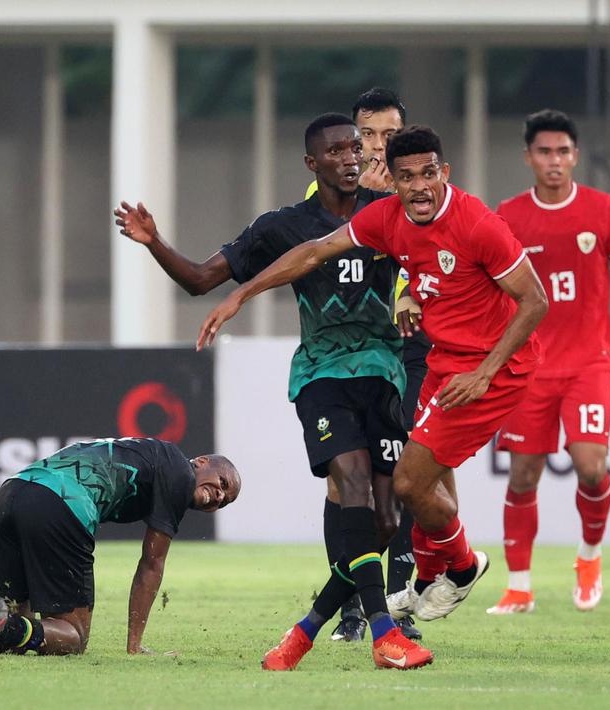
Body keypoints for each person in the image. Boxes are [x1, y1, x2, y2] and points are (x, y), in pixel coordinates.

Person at [196, 125, 548, 668]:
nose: (418, 186)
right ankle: (437, 574)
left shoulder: (477, 223)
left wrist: (484, 373)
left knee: (407, 485)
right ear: (395, 182)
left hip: (490, 373)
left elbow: (535, 301)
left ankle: (447, 570)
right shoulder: (385, 219)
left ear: (444, 173)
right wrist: (241, 293)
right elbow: (314, 252)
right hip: (437, 367)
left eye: (428, 173)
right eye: (406, 176)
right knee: (399, 498)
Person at [115, 113, 429, 669]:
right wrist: (154, 241)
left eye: (354, 149)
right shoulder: (282, 226)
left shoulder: (389, 214)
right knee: (351, 484)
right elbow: (198, 280)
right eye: (335, 152)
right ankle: (385, 634)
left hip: (385, 372)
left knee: (384, 518)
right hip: (322, 374)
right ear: (312, 164)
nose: (350, 159)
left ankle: (303, 633)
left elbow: (429, 268)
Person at [488, 109, 610, 615]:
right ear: (529, 157)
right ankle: (519, 586)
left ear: (575, 156)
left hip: (589, 361)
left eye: (563, 151)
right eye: (544, 152)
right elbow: (493, 289)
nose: (555, 160)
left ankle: (589, 557)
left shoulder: (604, 210)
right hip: (528, 366)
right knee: (524, 475)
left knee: (591, 467)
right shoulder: (508, 215)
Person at [0, 437, 240, 657]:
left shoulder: (144, 451)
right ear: (201, 461)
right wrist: (134, 646)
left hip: (9, 495)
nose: (219, 495)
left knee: (18, 630)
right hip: (60, 504)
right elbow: (152, 564)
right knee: (72, 637)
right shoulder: (178, 470)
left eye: (225, 500)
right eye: (223, 483)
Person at [306, 88, 425, 643]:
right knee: (343, 485)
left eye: (389, 135)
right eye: (367, 135)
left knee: (406, 479)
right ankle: (353, 607)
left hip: (411, 353)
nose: (377, 147)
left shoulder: (421, 193)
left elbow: (428, 260)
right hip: (347, 358)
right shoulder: (325, 197)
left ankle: (397, 608)